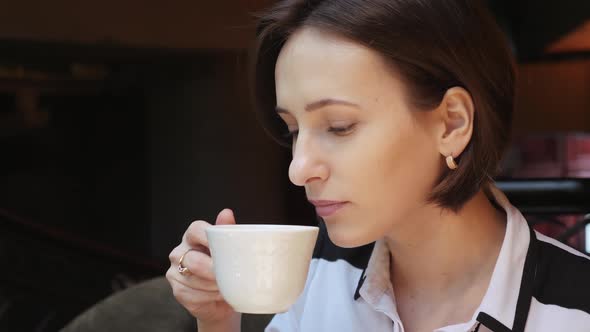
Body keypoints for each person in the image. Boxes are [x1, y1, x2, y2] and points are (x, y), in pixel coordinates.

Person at [166, 0, 590, 331]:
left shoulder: (576, 310)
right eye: (293, 129)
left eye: (339, 126)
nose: (298, 169)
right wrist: (218, 321)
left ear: (452, 123)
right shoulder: (319, 276)